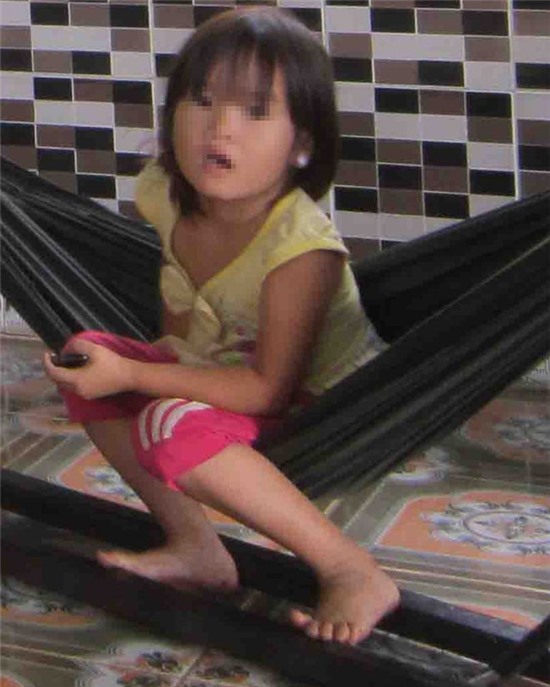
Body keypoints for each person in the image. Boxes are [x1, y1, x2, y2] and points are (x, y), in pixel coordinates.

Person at [44, 6, 399, 645]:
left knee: (167, 422)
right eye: (202, 101)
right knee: (85, 356)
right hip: (220, 373)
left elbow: (269, 391)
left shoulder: (300, 251)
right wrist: (135, 368)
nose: (221, 128)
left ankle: (350, 567)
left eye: (255, 111)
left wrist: (138, 378)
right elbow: (180, 315)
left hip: (318, 403)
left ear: (303, 144)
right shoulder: (162, 193)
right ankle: (196, 547)